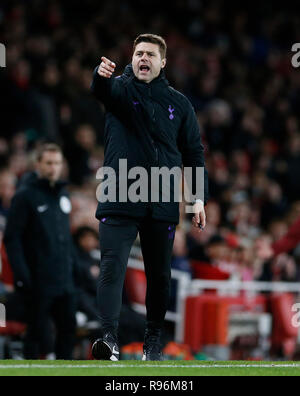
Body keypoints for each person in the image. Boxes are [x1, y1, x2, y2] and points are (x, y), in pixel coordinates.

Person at [90, 34, 209, 361]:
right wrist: (99, 76)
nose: (143, 58)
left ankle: (153, 343)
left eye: (150, 54)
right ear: (132, 58)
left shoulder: (180, 104)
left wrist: (197, 199)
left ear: (163, 62)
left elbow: (194, 153)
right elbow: (101, 90)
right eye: (138, 53)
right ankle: (109, 339)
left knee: (159, 275)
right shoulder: (119, 89)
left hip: (162, 197)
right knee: (112, 267)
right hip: (119, 193)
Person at [4, 144, 78, 359]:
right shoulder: (25, 196)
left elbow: (66, 238)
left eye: (57, 163)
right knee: (36, 333)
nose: (53, 168)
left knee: (68, 331)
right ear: (38, 164)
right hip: (38, 279)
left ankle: (65, 374)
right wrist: (23, 275)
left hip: (65, 280)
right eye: (48, 163)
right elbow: (12, 239)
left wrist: (75, 270)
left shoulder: (63, 194)